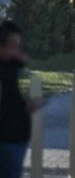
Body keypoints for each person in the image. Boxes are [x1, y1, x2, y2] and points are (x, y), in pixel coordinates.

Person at [0, 21, 38, 178]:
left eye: (18, 44)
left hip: (16, 136)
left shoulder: (13, 64)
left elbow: (26, 62)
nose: (16, 49)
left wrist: (28, 103)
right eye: (12, 44)